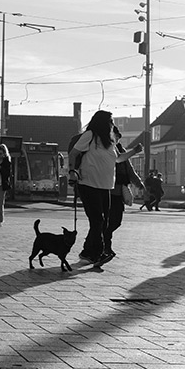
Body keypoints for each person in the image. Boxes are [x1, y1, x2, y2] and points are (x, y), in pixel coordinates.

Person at [68, 110, 143, 267]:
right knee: (98, 221)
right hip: (88, 184)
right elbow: (74, 153)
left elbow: (119, 159)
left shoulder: (110, 141)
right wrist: (72, 172)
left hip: (105, 186)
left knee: (103, 222)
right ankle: (99, 254)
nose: (112, 125)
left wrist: (134, 152)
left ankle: (88, 253)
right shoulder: (90, 136)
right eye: (110, 121)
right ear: (102, 122)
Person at [104, 128, 144, 260]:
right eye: (116, 136)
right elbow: (117, 161)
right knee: (107, 221)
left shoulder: (121, 151)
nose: (118, 139)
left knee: (116, 222)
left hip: (119, 192)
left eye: (119, 137)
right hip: (107, 191)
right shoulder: (107, 150)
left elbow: (130, 170)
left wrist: (139, 184)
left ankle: (101, 241)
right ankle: (105, 246)